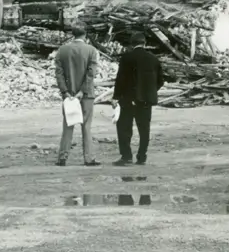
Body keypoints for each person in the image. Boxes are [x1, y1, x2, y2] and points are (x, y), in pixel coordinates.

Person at [112, 31, 165, 166]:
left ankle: (126, 156)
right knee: (144, 129)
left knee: (124, 128)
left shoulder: (126, 58)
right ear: (144, 43)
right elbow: (160, 81)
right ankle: (142, 157)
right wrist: (150, 91)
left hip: (128, 99)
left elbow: (120, 80)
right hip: (146, 100)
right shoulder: (153, 59)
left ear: (131, 44)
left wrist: (116, 97)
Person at [54, 23, 101, 167]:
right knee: (86, 126)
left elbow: (59, 73)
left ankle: (62, 157)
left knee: (68, 126)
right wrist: (83, 91)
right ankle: (89, 158)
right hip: (86, 95)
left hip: (68, 95)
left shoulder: (62, 50)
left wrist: (65, 91)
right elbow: (91, 73)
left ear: (72, 34)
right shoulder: (91, 50)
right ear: (85, 34)